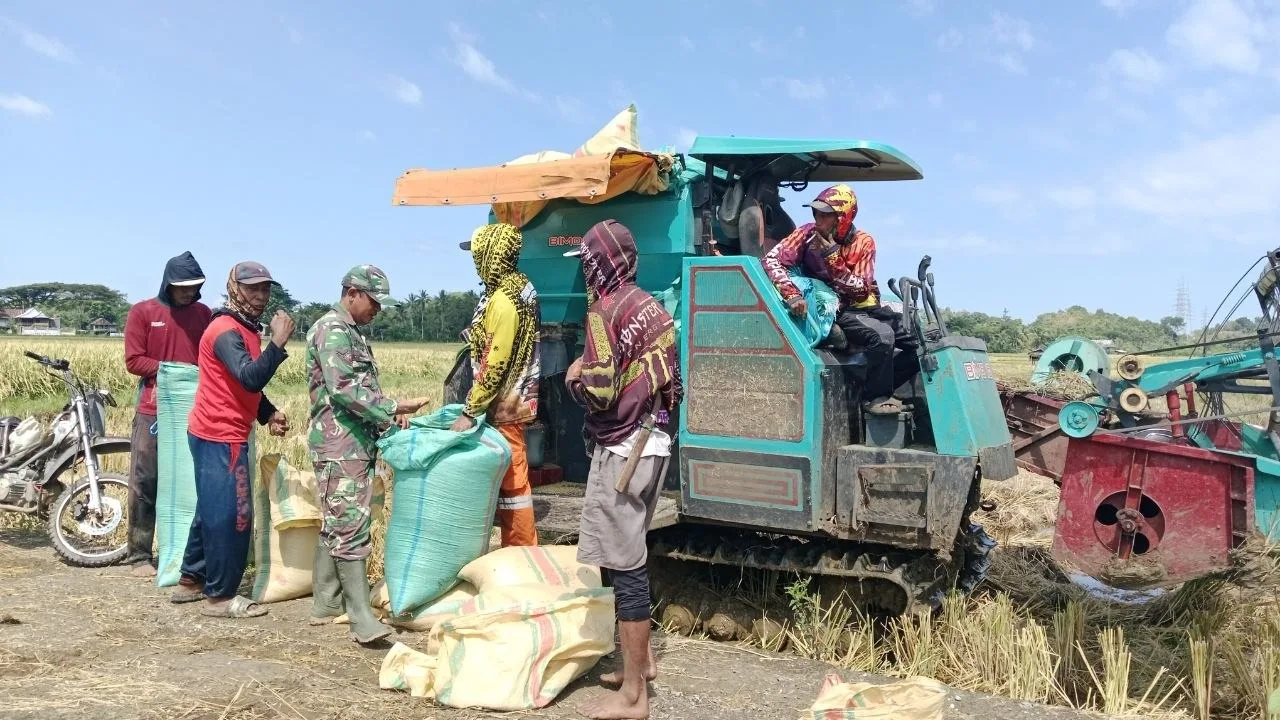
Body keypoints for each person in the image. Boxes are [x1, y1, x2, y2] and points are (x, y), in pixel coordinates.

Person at [564, 218, 683, 720]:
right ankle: (643, 663)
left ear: (600, 262)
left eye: (588, 263)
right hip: (655, 444)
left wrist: (573, 378)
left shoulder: (604, 312)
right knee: (630, 551)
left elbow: (599, 389)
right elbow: (672, 381)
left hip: (622, 452)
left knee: (626, 567)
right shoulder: (652, 307)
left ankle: (634, 697)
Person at [304, 265, 431, 643]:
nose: (378, 310)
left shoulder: (352, 332)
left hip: (352, 441)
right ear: (352, 293)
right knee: (350, 524)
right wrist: (391, 408)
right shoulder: (333, 330)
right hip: (340, 444)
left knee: (339, 519)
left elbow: (360, 389)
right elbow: (344, 389)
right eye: (374, 302)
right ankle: (360, 616)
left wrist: (386, 417)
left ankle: (327, 602)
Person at [169, 261, 293, 619]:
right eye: (252, 288)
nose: (260, 295)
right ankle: (220, 596)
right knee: (234, 514)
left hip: (211, 431)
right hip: (222, 435)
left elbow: (241, 384)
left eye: (265, 288)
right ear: (234, 289)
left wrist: (267, 413)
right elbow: (249, 377)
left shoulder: (241, 327)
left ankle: (192, 579)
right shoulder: (226, 330)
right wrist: (278, 343)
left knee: (211, 508)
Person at [761, 183, 917, 416]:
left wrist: (832, 257)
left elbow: (861, 290)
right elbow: (772, 261)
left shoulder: (864, 242)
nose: (818, 221)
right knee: (883, 337)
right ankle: (874, 399)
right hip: (838, 309)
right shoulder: (806, 234)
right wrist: (791, 294)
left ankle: (870, 388)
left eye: (825, 215)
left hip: (865, 305)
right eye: (816, 214)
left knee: (920, 344)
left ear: (843, 218)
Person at [122, 251, 212, 578]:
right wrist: (172, 371)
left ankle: (184, 555)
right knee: (145, 479)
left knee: (190, 481)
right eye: (182, 286)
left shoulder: (204, 314)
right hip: (153, 409)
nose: (189, 292)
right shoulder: (144, 312)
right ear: (168, 284)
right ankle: (138, 555)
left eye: (194, 286)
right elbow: (134, 360)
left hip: (194, 409)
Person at [454, 223, 541, 548]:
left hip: (505, 406)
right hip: (517, 399)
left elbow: (495, 363)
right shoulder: (522, 286)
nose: (476, 262)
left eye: (478, 255)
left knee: (514, 488)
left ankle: (521, 552)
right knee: (509, 485)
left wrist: (470, 411)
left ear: (491, 255)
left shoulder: (504, 300)